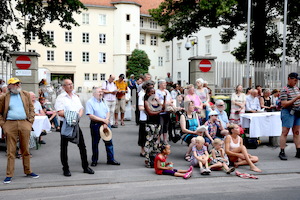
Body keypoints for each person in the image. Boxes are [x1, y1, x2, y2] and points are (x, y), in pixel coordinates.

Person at [0, 77, 39, 184]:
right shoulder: (4, 97)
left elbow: (31, 109)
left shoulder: (25, 94)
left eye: (18, 83)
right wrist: (4, 125)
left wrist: (29, 122)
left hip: (24, 123)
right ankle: (9, 175)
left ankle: (28, 171)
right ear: (9, 86)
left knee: (25, 149)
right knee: (11, 151)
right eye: (14, 84)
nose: (17, 85)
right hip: (10, 124)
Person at [55, 79, 94, 177]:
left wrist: (78, 116)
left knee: (82, 145)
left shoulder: (75, 96)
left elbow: (81, 108)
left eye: (71, 84)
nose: (70, 86)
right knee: (64, 147)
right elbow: (60, 112)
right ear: (63, 87)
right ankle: (66, 169)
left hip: (75, 123)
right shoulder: (61, 98)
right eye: (68, 85)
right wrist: (72, 116)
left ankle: (85, 167)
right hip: (65, 124)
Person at [86, 88, 120, 166]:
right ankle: (94, 160)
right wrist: (103, 120)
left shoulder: (103, 101)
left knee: (109, 142)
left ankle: (111, 159)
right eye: (99, 92)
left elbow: (107, 111)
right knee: (95, 143)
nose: (101, 93)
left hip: (105, 123)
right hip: (96, 124)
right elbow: (90, 115)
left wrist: (106, 121)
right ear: (94, 93)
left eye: (101, 92)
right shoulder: (90, 102)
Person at [278, 72, 300, 160]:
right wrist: (296, 98)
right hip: (288, 112)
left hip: (297, 112)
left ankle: (298, 150)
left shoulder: (296, 88)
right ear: (289, 79)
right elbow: (284, 104)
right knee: (285, 132)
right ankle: (282, 151)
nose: (296, 82)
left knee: (297, 131)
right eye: (294, 80)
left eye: (297, 80)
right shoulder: (284, 90)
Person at [144, 87, 164, 168]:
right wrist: (159, 112)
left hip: (157, 122)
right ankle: (147, 159)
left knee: (156, 141)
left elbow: (163, 107)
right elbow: (150, 112)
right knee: (149, 140)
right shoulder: (146, 102)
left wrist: (158, 101)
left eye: (154, 92)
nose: (153, 94)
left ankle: (155, 159)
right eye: (151, 93)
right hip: (150, 123)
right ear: (148, 93)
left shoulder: (156, 101)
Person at [138, 80, 155, 157]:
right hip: (144, 117)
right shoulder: (142, 94)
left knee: (150, 134)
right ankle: (142, 150)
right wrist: (149, 109)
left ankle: (149, 149)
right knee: (143, 134)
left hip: (151, 117)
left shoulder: (152, 95)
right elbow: (140, 107)